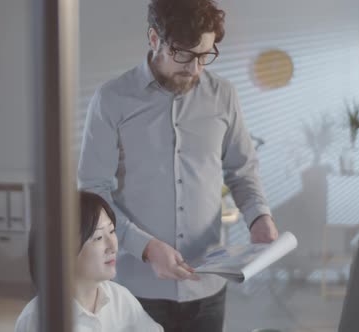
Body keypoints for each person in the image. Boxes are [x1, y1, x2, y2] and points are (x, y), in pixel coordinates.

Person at [77, 0, 279, 330]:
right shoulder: (111, 99)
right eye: (184, 54)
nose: (195, 68)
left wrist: (259, 216)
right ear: (154, 38)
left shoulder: (224, 95)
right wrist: (146, 248)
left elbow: (242, 169)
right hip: (137, 288)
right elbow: (93, 191)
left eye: (204, 55)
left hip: (208, 284)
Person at [15, 192, 163, 332]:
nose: (113, 247)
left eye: (112, 232)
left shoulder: (120, 299)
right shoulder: (36, 319)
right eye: (98, 237)